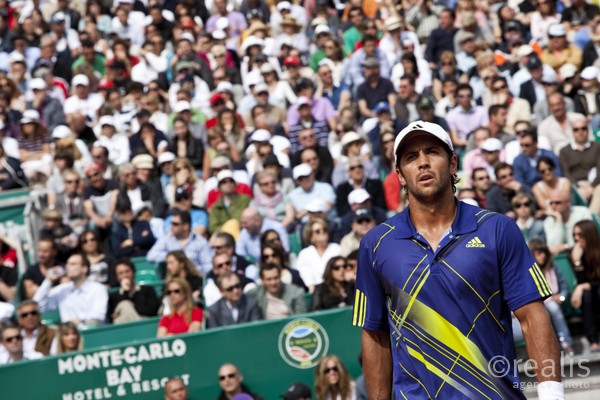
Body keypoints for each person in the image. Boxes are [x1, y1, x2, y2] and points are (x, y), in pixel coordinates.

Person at [354, 121, 563, 399]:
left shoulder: (499, 229)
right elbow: (374, 334)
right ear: (400, 176)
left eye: (432, 152)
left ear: (453, 163)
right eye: (411, 157)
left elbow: (532, 316)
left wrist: (552, 394)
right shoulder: (375, 244)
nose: (423, 163)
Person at [33, 253, 108, 328]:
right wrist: (48, 280)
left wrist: (80, 321)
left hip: (91, 333)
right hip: (67, 335)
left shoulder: (98, 289)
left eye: (72, 264)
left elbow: (98, 316)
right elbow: (37, 305)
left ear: (84, 268)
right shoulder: (62, 289)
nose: (67, 267)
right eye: (67, 264)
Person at [529, 239, 574, 356]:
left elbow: (564, 288)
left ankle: (566, 343)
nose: (542, 256)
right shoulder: (530, 272)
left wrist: (562, 297)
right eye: (538, 253)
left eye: (544, 252)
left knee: (553, 307)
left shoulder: (553, 269)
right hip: (538, 304)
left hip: (555, 303)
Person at [147, 209, 213, 274]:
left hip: (195, 278)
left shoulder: (200, 242)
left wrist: (194, 269)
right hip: (174, 279)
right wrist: (174, 257)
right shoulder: (167, 239)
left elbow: (208, 266)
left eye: (175, 224)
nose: (171, 226)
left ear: (186, 226)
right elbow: (151, 256)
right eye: (171, 223)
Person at [570, 220, 600, 352]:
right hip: (591, 291)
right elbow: (581, 281)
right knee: (586, 297)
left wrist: (581, 287)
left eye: (580, 234)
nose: (577, 238)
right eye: (574, 235)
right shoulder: (578, 254)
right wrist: (577, 262)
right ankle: (593, 342)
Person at [295, 218, 341, 293]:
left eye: (324, 230)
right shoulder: (305, 254)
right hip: (316, 291)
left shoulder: (336, 248)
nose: (322, 232)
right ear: (311, 236)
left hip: (336, 288)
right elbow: (305, 275)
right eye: (317, 231)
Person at [107, 259, 161, 323]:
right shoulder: (113, 297)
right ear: (117, 277)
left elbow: (152, 311)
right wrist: (125, 292)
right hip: (122, 326)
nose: (125, 275)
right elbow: (112, 317)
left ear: (133, 272)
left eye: (127, 271)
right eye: (121, 273)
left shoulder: (147, 290)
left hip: (143, 323)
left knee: (125, 305)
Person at [544, 190, 593, 254]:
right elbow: (554, 248)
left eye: (557, 203)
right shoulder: (548, 222)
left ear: (568, 202)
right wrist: (559, 221)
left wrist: (566, 247)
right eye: (551, 203)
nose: (553, 206)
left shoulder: (583, 213)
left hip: (585, 253)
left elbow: (586, 240)